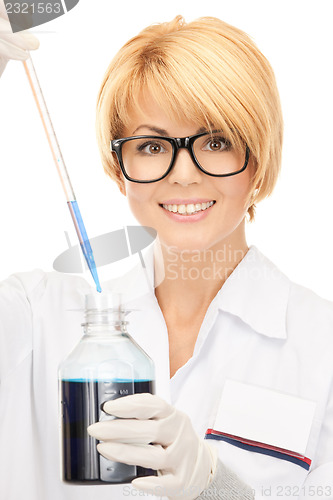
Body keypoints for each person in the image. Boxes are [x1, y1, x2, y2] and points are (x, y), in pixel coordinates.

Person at [1, 9, 333, 500]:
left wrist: (216, 488)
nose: (182, 175)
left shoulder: (320, 346)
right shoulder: (35, 315)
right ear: (119, 168)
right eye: (153, 146)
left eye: (216, 141)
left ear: (259, 160)